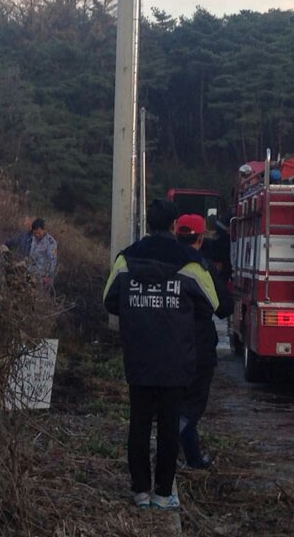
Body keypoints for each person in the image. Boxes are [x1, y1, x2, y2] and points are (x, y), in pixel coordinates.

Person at [103, 199, 219, 510]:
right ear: (173, 225)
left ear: (148, 223)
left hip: (139, 357)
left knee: (139, 425)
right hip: (176, 359)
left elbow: (109, 300)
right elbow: (211, 304)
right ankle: (163, 494)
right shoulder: (190, 261)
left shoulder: (127, 258)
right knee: (169, 428)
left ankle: (140, 491)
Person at [174, 213, 234, 470]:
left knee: (176, 403)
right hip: (198, 347)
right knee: (191, 407)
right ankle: (174, 444)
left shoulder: (162, 261)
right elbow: (223, 307)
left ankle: (192, 457)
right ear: (199, 238)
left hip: (167, 346)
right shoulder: (201, 267)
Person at [27, 218, 58, 293]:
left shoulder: (51, 243)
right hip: (31, 274)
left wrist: (48, 277)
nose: (37, 235)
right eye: (35, 233)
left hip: (43, 278)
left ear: (44, 230)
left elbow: (53, 261)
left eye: (39, 233)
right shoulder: (33, 239)